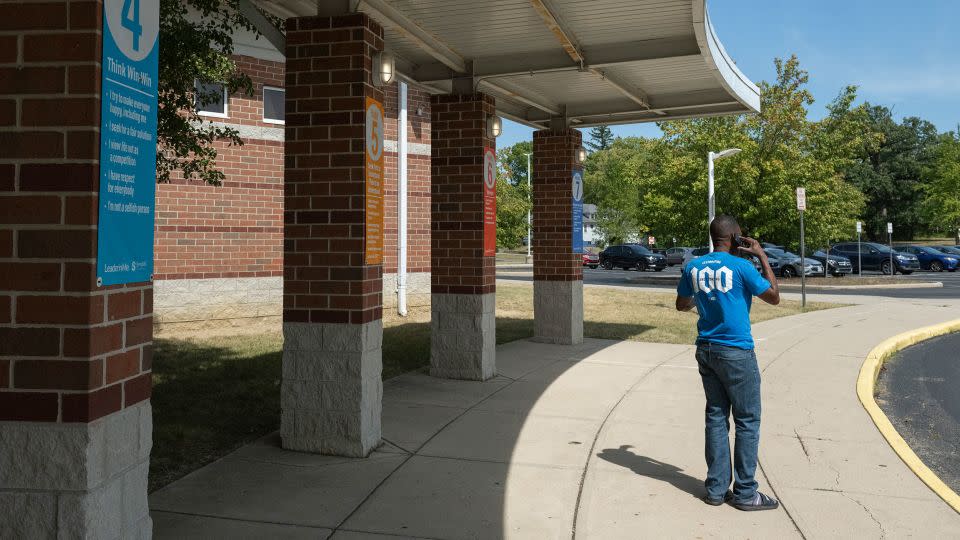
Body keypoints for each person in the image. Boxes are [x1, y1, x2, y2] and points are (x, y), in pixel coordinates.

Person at [675, 215, 781, 511]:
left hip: (706, 350)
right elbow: (774, 297)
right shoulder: (742, 266)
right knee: (747, 420)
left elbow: (682, 304)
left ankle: (716, 489)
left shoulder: (694, 266)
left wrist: (708, 295)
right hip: (736, 352)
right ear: (735, 237)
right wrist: (760, 254)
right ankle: (746, 492)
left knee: (716, 416)